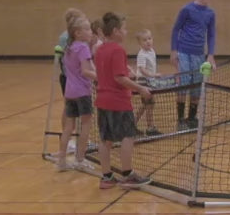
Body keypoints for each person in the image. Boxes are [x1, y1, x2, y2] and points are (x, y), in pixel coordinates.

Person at [93, 12, 153, 189]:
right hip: (118, 102)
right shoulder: (118, 50)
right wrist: (141, 89)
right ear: (116, 31)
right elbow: (119, 78)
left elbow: (108, 72)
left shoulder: (100, 49)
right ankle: (127, 175)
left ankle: (106, 177)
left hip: (102, 101)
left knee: (106, 140)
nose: (126, 32)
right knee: (128, 136)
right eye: (124, 29)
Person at [170, 0, 217, 129]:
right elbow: (176, 29)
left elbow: (211, 35)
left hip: (199, 54)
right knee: (183, 84)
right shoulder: (187, 9)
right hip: (184, 52)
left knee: (197, 86)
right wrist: (173, 51)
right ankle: (181, 119)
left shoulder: (210, 13)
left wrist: (210, 55)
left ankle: (192, 118)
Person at [57, 15, 97, 172]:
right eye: (87, 29)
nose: (90, 32)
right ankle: (80, 159)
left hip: (69, 92)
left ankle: (61, 161)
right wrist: (102, 78)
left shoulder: (69, 47)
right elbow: (87, 71)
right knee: (86, 124)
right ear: (77, 33)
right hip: (82, 92)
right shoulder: (82, 48)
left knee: (68, 127)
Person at [133, 29, 162, 136]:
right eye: (144, 40)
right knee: (149, 104)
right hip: (143, 82)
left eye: (149, 38)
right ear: (140, 43)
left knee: (147, 104)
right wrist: (153, 75)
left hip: (150, 82)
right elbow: (142, 70)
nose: (148, 41)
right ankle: (150, 128)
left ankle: (133, 123)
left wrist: (154, 78)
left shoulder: (152, 51)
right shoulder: (142, 54)